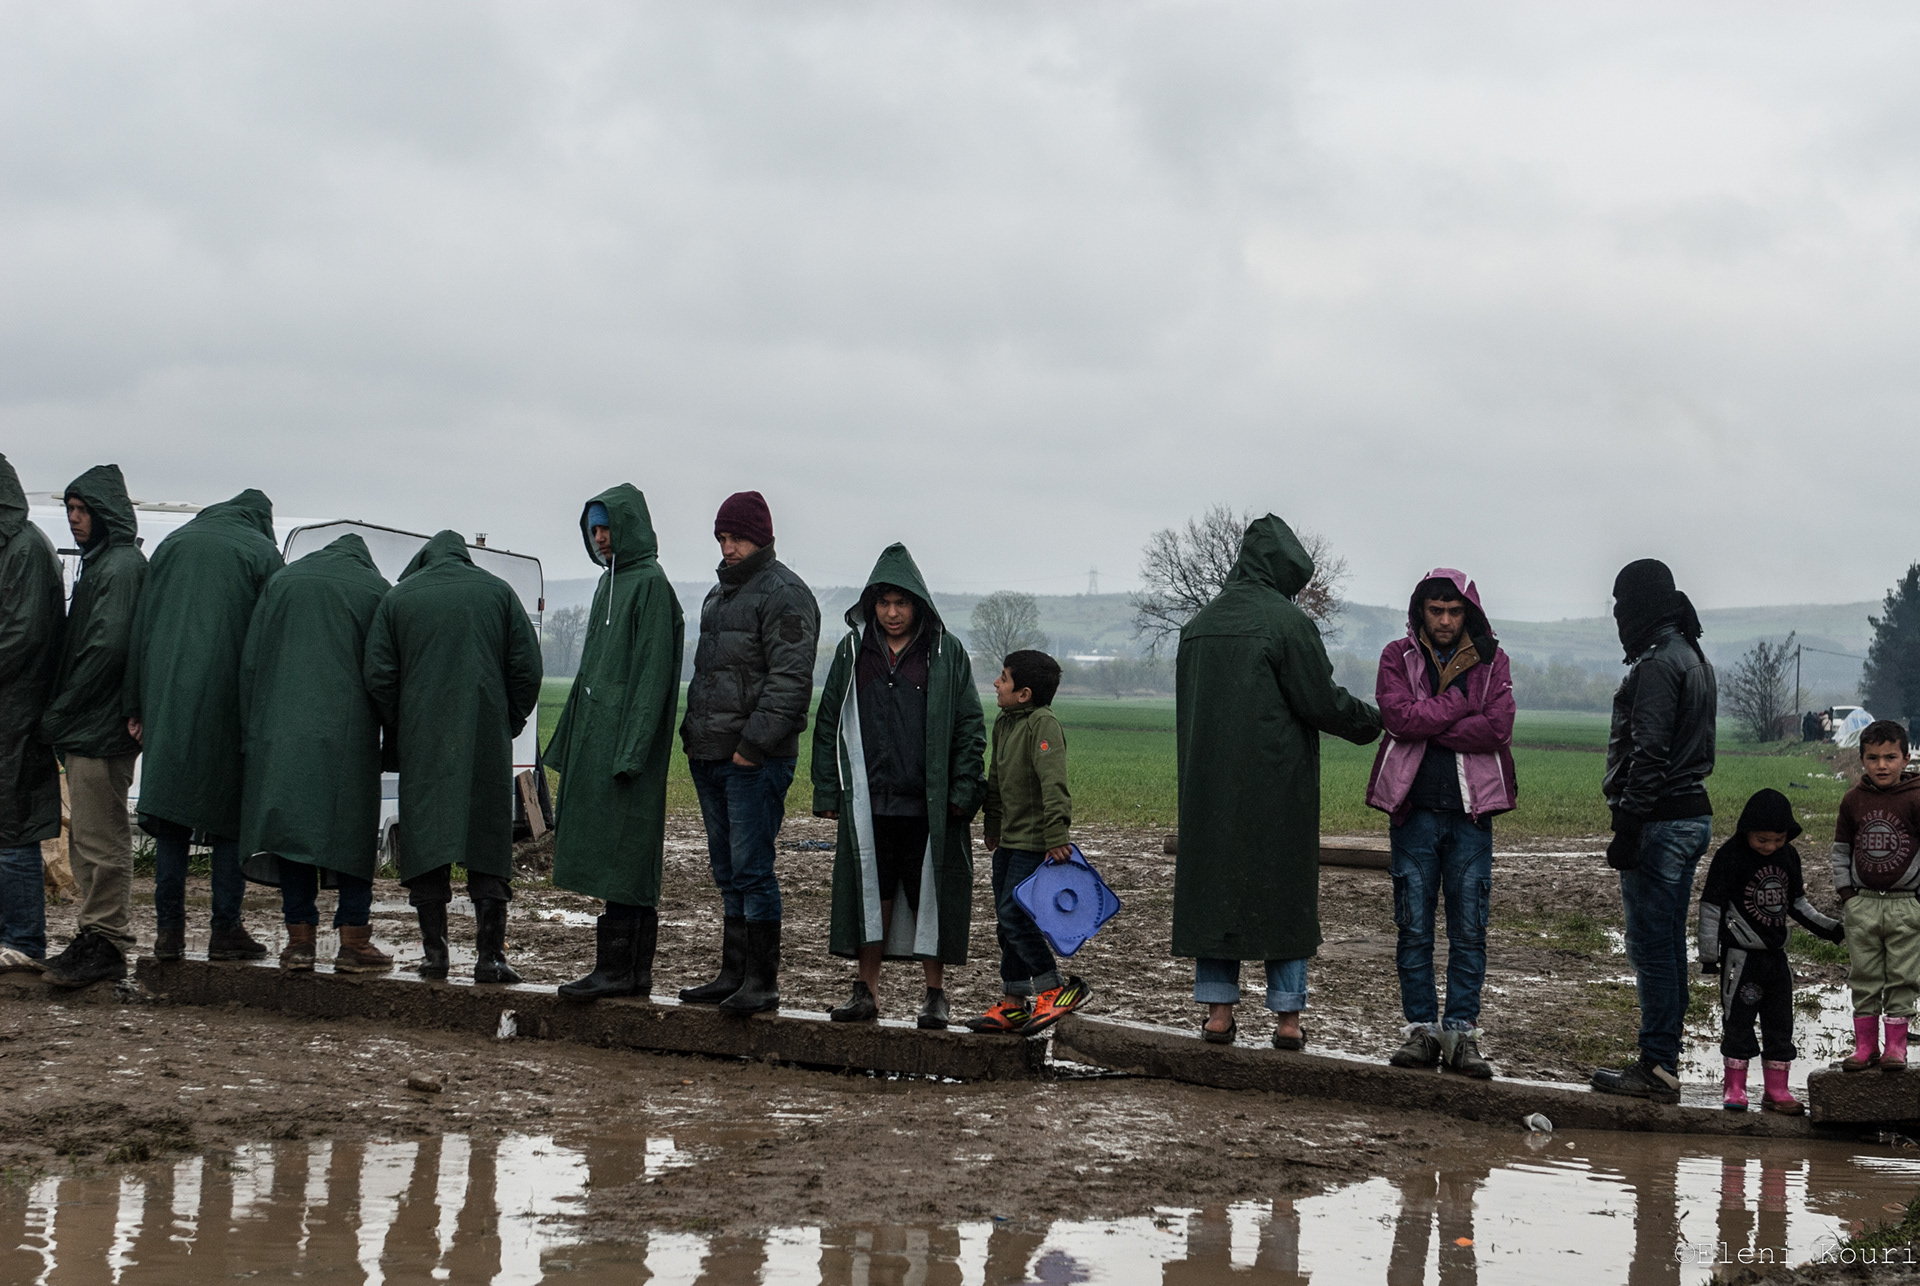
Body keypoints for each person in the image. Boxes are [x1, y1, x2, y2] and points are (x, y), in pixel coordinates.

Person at [1172, 515, 1381, 1048]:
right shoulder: (1287, 623)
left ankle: (1218, 1015)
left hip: (1207, 790)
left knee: (1215, 893)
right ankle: (1287, 1020)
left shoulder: (1198, 626)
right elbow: (1320, 700)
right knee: (1284, 896)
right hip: (1276, 789)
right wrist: (1377, 720)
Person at [812, 544, 987, 1028]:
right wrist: (828, 790)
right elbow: (829, 722)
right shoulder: (853, 653)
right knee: (873, 894)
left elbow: (971, 727)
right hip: (869, 804)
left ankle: (935, 996)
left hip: (928, 806)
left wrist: (962, 792)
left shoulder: (946, 654)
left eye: (902, 603)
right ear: (872, 605)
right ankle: (866, 992)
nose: (892, 613)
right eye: (884, 603)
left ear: (919, 606)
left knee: (929, 893)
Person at [363, 530, 543, 984]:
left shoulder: (398, 599)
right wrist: (508, 721)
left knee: (426, 841)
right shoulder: (499, 593)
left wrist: (401, 728)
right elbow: (528, 668)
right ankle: (490, 958)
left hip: (422, 741)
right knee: (488, 840)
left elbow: (380, 674)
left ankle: (434, 955)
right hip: (485, 738)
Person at [1366, 569, 1516, 1079]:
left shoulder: (1494, 662)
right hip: (1413, 814)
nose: (1446, 620)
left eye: (1454, 611)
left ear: (1467, 612)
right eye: (1436, 610)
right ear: (1421, 611)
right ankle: (1423, 1031)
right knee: (1413, 927)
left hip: (1472, 816)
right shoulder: (1395, 656)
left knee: (1470, 929)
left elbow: (1497, 728)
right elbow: (1398, 719)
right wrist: (1457, 704)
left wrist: (1429, 720)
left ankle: (1461, 1034)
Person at [123, 489, 283, 963]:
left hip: (167, 704)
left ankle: (168, 933)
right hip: (228, 709)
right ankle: (224, 930)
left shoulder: (172, 543)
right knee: (231, 820)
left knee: (171, 822)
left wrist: (135, 705)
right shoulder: (261, 552)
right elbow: (269, 640)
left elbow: (141, 628)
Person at [677, 491, 820, 1015]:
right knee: (727, 869)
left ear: (760, 537)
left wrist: (752, 746)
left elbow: (789, 681)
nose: (727, 546)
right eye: (721, 537)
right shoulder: (718, 596)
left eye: (735, 537)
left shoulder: (785, 593)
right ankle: (732, 974)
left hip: (754, 760)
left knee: (754, 868)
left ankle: (762, 982)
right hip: (709, 753)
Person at [548, 487, 684, 1001]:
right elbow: (589, 673)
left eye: (607, 528)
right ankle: (625, 972)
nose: (600, 537)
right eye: (593, 529)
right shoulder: (608, 586)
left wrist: (630, 753)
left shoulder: (649, 585)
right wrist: (569, 743)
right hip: (599, 747)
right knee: (611, 854)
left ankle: (622, 972)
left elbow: (650, 679)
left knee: (627, 856)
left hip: (628, 756)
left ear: (629, 528)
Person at [236, 534, 394, 972]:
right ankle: (354, 942)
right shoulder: (376, 591)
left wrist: (254, 730)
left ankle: (299, 942)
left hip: (281, 732)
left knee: (293, 838)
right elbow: (383, 672)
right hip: (350, 736)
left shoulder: (282, 583)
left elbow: (251, 663)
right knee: (353, 833)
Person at [1591, 558, 1717, 1103]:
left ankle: (1659, 1065)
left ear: (1639, 605)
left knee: (1654, 950)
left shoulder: (1660, 663)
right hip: (1688, 815)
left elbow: (1649, 752)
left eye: (1621, 605)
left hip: (1661, 820)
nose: (1618, 616)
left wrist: (1627, 825)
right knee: (1666, 944)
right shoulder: (1689, 653)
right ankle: (1661, 1059)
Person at [39, 465, 148, 989]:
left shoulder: (121, 565)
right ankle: (94, 933)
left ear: (106, 514)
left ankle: (107, 940)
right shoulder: (102, 563)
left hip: (99, 724)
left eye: (83, 511)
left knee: (102, 840)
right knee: (86, 838)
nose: (75, 520)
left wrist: (61, 710)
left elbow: (106, 646)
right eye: (70, 511)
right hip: (91, 723)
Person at [1697, 788, 1842, 1113]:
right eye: (1762, 840)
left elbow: (1798, 904)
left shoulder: (1788, 856)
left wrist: (1832, 929)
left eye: (1777, 839)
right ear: (1746, 831)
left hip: (1776, 960)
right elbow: (1711, 907)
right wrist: (1709, 955)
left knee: (1780, 1024)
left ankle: (1777, 1092)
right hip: (1740, 960)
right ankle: (1735, 1089)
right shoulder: (1729, 856)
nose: (1770, 846)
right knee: (1738, 1022)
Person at [967, 649, 1087, 1033]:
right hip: (1009, 841)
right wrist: (993, 824)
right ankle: (1014, 1001)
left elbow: (1054, 783)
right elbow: (998, 779)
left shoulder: (1042, 724)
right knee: (1006, 923)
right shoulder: (1005, 723)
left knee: (1015, 914)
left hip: (1036, 842)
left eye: (1003, 678)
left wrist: (1057, 835)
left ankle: (1053, 988)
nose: (996, 684)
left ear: (1025, 693)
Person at [0, 454, 64, 973]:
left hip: (16, 712)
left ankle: (24, 940)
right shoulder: (16, 545)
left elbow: (22, 635)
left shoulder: (24, 548)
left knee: (14, 826)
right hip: (8, 708)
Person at [1832, 720, 1920, 1073]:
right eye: (1873, 758)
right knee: (1864, 976)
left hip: (1905, 905)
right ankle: (1865, 1046)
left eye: (1890, 757)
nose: (1881, 765)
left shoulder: (1916, 797)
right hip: (1863, 904)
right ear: (1862, 759)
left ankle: (1895, 1048)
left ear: (1906, 757)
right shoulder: (1853, 800)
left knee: (1903, 976)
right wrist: (1847, 895)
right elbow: (1840, 851)